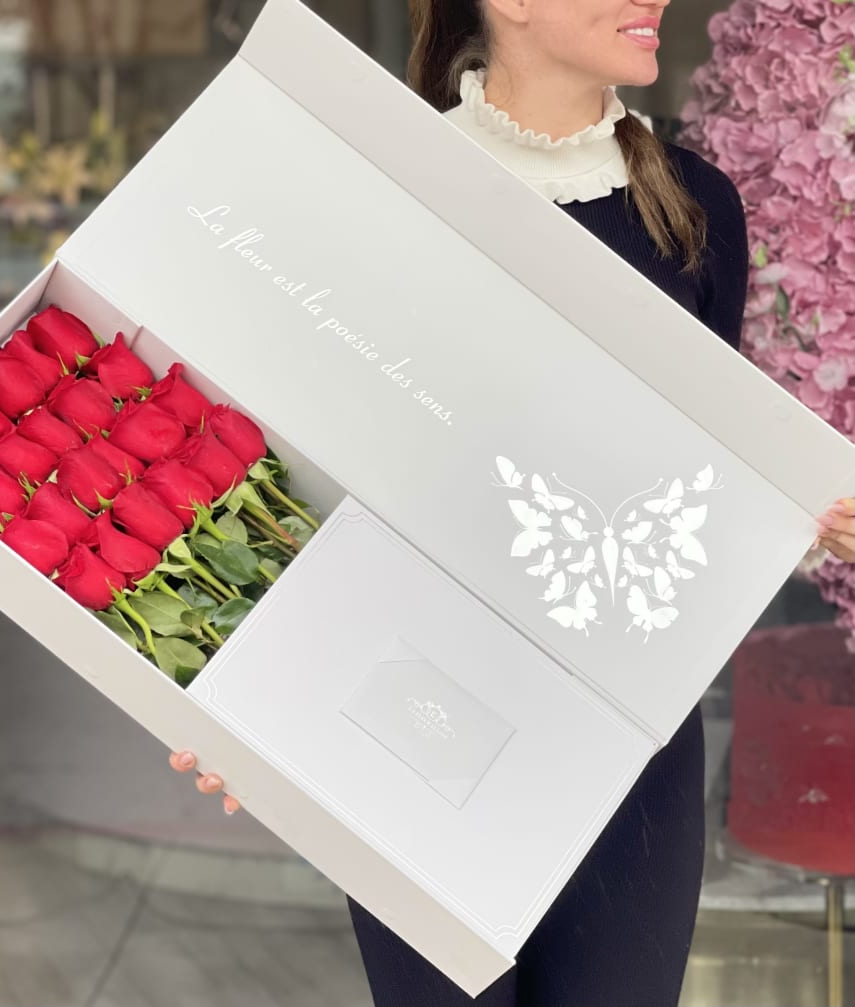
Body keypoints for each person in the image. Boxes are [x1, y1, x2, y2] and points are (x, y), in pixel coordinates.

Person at [170, 0, 855, 1003]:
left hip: (626, 745)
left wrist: (800, 521)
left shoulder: (697, 207)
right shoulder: (380, 188)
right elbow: (296, 485)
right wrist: (249, 703)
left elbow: (690, 485)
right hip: (410, 720)